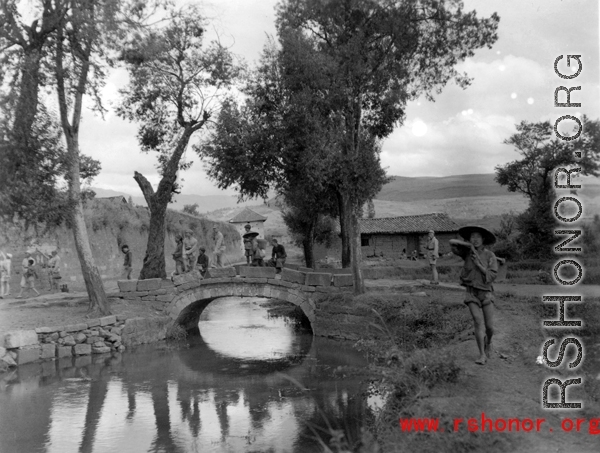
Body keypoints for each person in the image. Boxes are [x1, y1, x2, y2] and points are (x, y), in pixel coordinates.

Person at [451, 225, 498, 366]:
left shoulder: (490, 256)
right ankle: (482, 355)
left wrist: (479, 265)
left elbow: (492, 275)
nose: (475, 239)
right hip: (471, 292)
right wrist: (468, 246)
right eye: (473, 237)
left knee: (489, 327)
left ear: (483, 239)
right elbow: (452, 244)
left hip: (486, 294)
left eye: (478, 237)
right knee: (478, 321)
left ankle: (488, 343)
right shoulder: (466, 253)